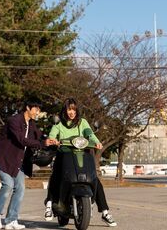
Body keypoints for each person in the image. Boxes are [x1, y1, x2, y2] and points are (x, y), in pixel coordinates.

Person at [44, 97, 117, 227]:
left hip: (81, 155)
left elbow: (89, 134)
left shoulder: (82, 122)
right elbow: (51, 136)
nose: (71, 112)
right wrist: (53, 140)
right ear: (65, 110)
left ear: (77, 111)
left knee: (95, 180)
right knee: (56, 176)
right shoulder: (59, 124)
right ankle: (49, 205)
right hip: (64, 155)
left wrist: (97, 142)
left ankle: (105, 212)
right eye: (69, 109)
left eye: (74, 109)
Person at [0, 98, 54, 229]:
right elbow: (21, 140)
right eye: (36, 109)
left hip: (17, 161)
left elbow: (40, 136)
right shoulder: (14, 121)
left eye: (39, 110)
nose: (38, 112)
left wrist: (50, 140)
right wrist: (42, 143)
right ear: (28, 108)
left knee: (20, 188)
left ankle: (11, 221)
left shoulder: (31, 124)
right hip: (3, 159)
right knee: (8, 185)